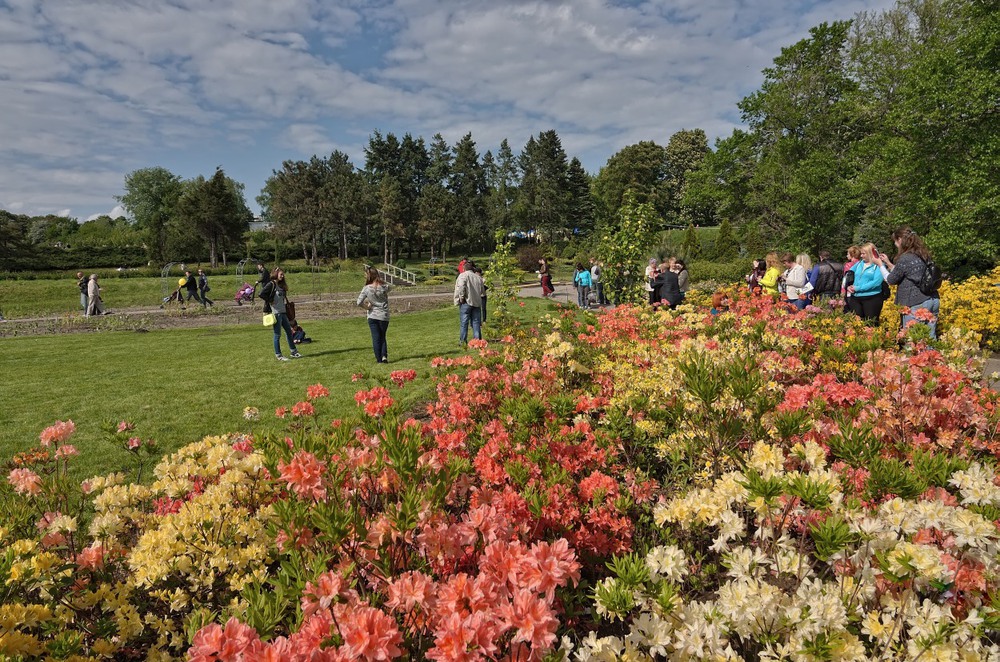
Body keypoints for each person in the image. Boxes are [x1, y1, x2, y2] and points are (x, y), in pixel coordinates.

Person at [878, 226, 941, 338]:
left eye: (895, 241)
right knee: (930, 339)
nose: (895, 244)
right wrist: (888, 263)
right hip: (932, 299)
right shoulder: (922, 254)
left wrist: (880, 265)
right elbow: (906, 273)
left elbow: (891, 280)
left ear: (900, 240)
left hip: (916, 302)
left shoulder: (905, 258)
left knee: (914, 340)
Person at [260, 268, 301, 361]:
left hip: (283, 313)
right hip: (276, 313)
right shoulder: (271, 284)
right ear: (276, 274)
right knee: (277, 334)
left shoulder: (281, 285)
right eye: (281, 274)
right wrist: (270, 300)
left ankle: (294, 352)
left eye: (283, 275)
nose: (282, 276)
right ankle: (279, 355)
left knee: (289, 332)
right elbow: (261, 294)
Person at [357, 266, 392, 363]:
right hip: (384, 315)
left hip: (372, 316)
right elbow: (390, 287)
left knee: (376, 337)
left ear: (369, 276)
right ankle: (384, 356)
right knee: (382, 336)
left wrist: (368, 307)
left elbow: (359, 302)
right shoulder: (384, 287)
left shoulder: (366, 289)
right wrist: (380, 281)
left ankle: (379, 359)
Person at [847, 243, 886, 324]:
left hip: (871, 298)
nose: (861, 256)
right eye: (861, 253)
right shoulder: (859, 264)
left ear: (870, 253)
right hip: (856, 298)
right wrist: (848, 286)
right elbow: (850, 273)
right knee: (856, 323)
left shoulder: (878, 265)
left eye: (863, 254)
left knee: (870, 324)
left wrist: (858, 288)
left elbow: (876, 282)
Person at [454, 259, 485, 344]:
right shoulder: (478, 277)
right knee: (476, 322)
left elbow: (461, 287)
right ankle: (478, 341)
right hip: (477, 302)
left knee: (464, 323)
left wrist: (461, 297)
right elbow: (483, 291)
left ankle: (463, 341)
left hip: (466, 302)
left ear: (464, 269)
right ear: (472, 269)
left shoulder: (463, 275)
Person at [842, 246, 862, 315]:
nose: (847, 255)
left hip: (849, 292)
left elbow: (845, 280)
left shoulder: (848, 265)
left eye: (848, 254)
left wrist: (843, 291)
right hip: (860, 291)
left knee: (848, 312)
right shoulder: (862, 264)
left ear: (852, 254)